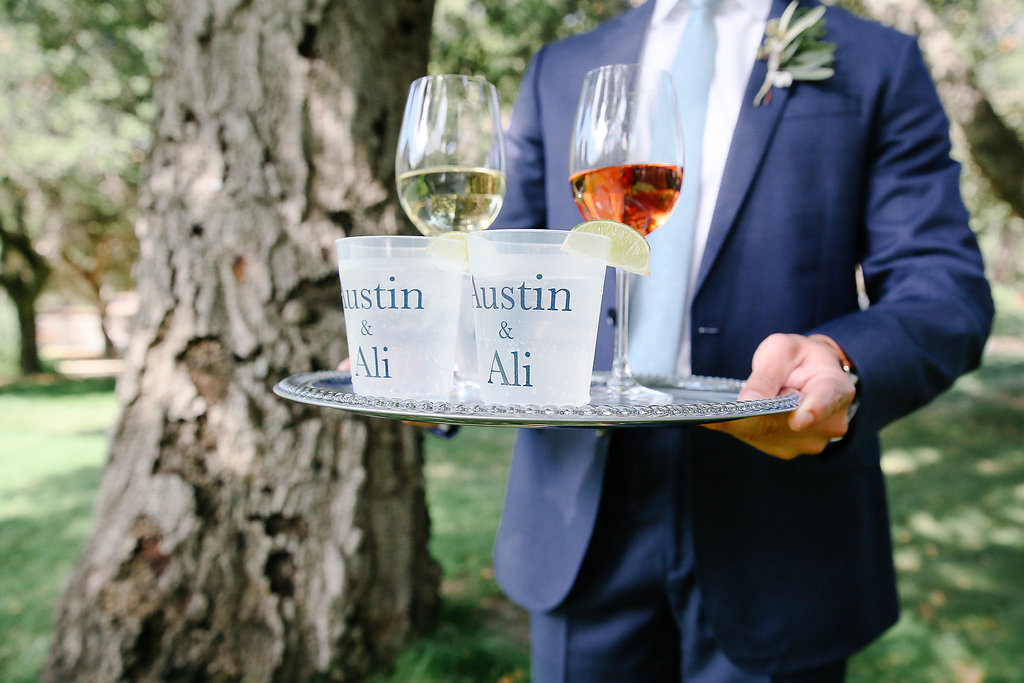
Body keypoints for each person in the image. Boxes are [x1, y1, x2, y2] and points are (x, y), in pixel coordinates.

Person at [489, 0, 994, 681]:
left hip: (782, 522)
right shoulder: (562, 67)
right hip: (578, 517)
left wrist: (843, 360)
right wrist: (439, 348)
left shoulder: (877, 61)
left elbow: (945, 286)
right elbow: (506, 269)